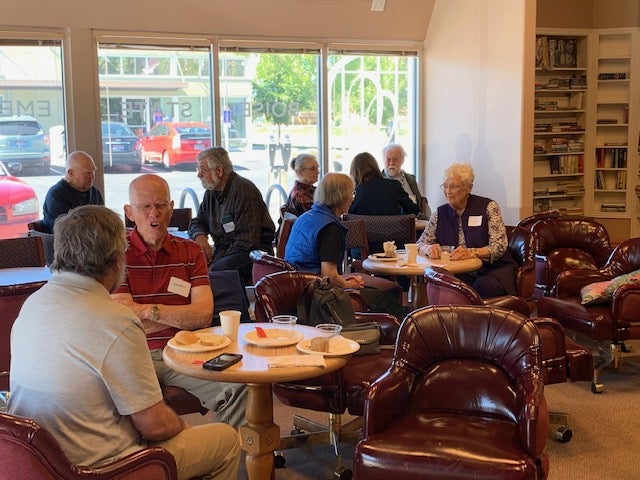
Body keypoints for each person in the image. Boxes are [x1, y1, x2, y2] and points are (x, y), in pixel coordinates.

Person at [9, 205, 240, 480]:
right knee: (224, 440)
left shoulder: (33, 303)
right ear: (117, 259)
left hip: (35, 462)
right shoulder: (115, 320)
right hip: (102, 469)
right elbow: (154, 426)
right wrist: (184, 428)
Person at [112, 174, 247, 428]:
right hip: (135, 354)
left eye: (161, 205)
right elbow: (123, 320)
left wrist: (146, 311)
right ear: (129, 212)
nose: (155, 214)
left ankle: (221, 454)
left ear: (172, 208)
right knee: (125, 406)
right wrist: (179, 317)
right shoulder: (116, 255)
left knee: (239, 385)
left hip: (185, 351)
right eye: (146, 207)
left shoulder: (190, 251)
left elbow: (203, 315)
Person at [285, 173, 404, 319]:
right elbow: (329, 275)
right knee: (384, 298)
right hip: (317, 294)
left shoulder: (305, 218)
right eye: (351, 193)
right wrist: (348, 285)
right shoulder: (330, 228)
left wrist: (345, 280)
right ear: (341, 197)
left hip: (297, 287)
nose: (353, 198)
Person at [417, 162, 516, 298]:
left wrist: (472, 252)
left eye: (453, 187)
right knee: (444, 286)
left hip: (491, 271)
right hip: (460, 272)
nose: (448, 191)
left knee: (483, 286)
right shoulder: (439, 214)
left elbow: (499, 246)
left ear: (468, 188)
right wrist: (428, 249)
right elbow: (420, 244)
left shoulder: (488, 207)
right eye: (445, 186)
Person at [188, 146, 275, 285]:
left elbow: (247, 242)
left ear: (219, 171)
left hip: (253, 254)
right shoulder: (212, 191)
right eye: (198, 169)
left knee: (217, 270)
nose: (199, 175)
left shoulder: (244, 191)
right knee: (189, 262)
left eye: (203, 170)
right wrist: (199, 236)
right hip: (227, 250)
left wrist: (214, 261)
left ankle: (220, 305)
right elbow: (198, 221)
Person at [41, 150, 104, 233]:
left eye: (93, 171)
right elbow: (64, 230)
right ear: (71, 173)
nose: (92, 176)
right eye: (87, 173)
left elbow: (104, 220)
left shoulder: (94, 192)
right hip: (64, 243)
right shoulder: (57, 195)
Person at [349, 151, 420, 217]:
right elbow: (414, 210)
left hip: (364, 230)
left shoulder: (356, 193)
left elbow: (349, 216)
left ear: (355, 172)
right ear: (375, 167)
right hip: (393, 230)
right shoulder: (393, 186)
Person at [381, 143, 430, 219]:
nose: (391, 163)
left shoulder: (411, 180)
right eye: (388, 159)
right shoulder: (378, 181)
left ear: (402, 160)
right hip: (387, 224)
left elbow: (423, 203)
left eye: (395, 159)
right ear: (383, 160)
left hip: (414, 224)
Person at [282, 153, 319, 218]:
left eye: (317, 168)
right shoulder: (300, 195)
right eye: (313, 169)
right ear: (299, 172)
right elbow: (315, 219)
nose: (317, 172)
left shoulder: (312, 190)